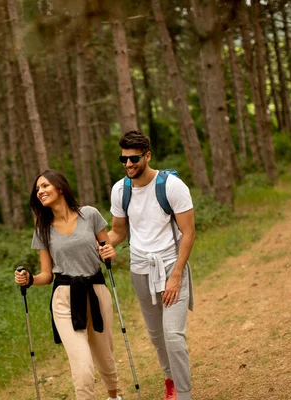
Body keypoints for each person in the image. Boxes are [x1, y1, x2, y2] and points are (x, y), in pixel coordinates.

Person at [15, 169, 122, 400]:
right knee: (82, 365)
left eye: (44, 186)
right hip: (64, 299)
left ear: (60, 187)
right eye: (37, 189)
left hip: (96, 291)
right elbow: (46, 274)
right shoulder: (43, 229)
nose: (40, 191)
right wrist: (30, 279)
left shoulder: (90, 215)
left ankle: (114, 396)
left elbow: (108, 253)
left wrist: (109, 252)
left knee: (105, 356)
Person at [107, 131, 195, 400]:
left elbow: (189, 233)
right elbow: (118, 232)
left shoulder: (171, 186)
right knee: (157, 336)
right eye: (123, 158)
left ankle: (184, 393)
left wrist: (176, 275)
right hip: (141, 270)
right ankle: (170, 378)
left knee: (173, 337)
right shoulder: (120, 190)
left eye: (134, 158)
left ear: (147, 156)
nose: (128, 164)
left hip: (171, 266)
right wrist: (102, 243)